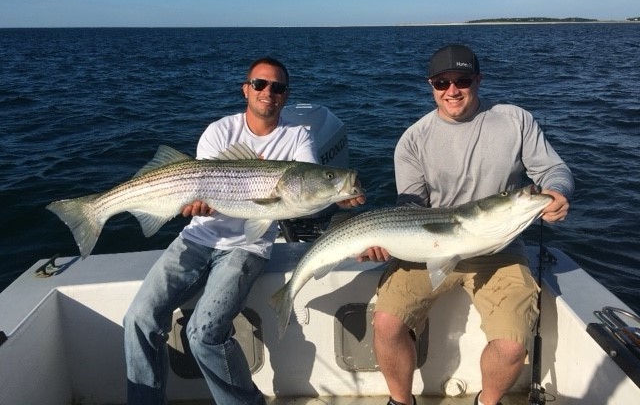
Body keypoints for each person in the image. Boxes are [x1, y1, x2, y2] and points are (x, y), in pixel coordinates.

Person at [124, 57, 364, 405]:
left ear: (286, 95)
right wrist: (193, 204)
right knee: (138, 318)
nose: (269, 92)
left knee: (203, 333)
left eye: (278, 87)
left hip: (247, 248)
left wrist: (337, 196)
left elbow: (307, 192)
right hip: (197, 236)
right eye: (260, 84)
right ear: (246, 89)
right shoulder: (219, 131)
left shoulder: (298, 138)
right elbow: (195, 185)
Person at [360, 44, 574, 405]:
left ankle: (486, 402)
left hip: (499, 249)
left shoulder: (514, 120)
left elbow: (554, 169)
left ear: (478, 80)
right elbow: (409, 207)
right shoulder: (413, 139)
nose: (452, 90)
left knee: (511, 347)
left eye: (462, 80)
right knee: (386, 324)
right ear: (431, 85)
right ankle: (400, 401)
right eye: (441, 82)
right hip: (431, 243)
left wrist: (557, 190)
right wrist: (384, 241)